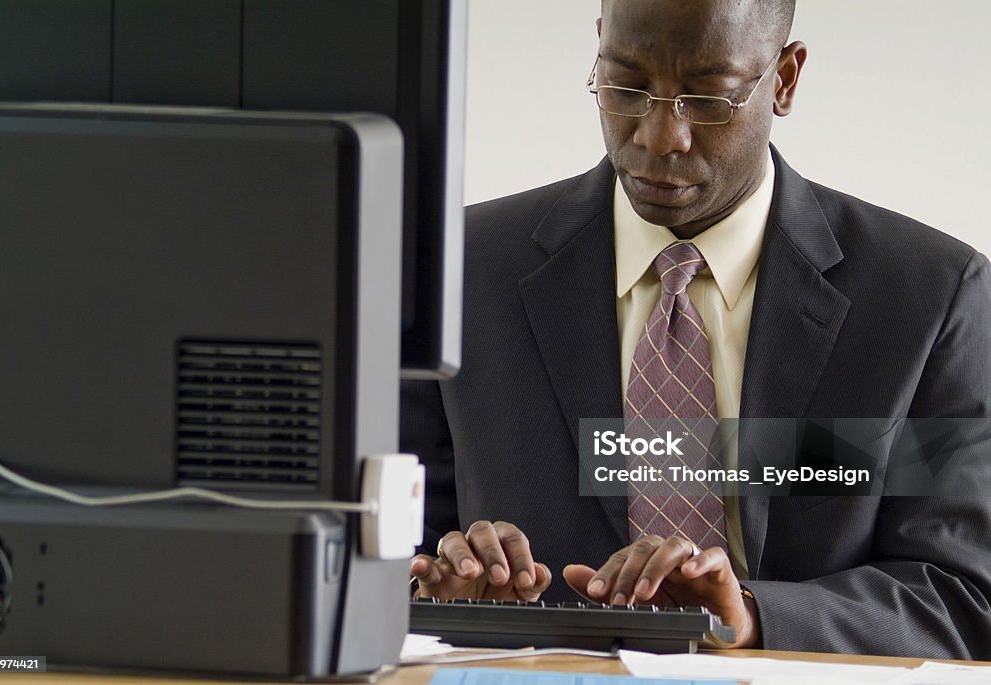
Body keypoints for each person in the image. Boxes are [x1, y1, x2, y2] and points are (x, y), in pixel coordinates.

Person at [401, 0, 991, 658]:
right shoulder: (456, 271)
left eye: (709, 97)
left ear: (785, 80)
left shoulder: (928, 298)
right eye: (626, 86)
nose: (660, 136)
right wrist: (442, 594)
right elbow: (383, 552)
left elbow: (961, 594)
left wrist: (754, 616)